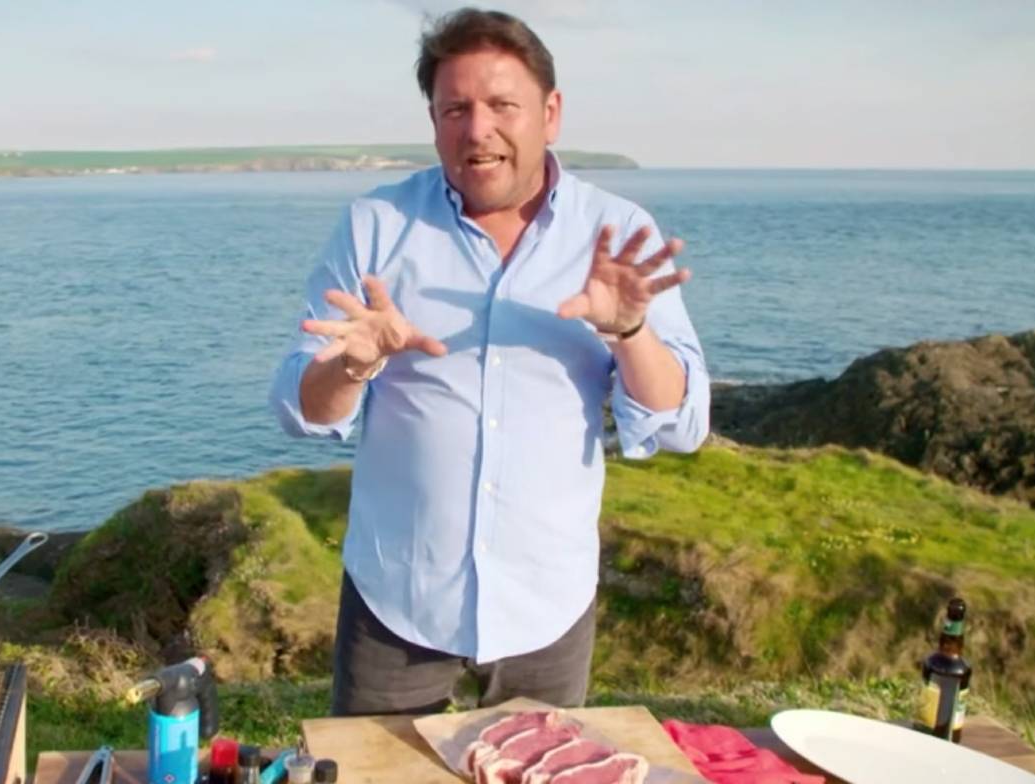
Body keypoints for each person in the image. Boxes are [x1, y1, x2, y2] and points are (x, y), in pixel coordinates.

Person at [268, 7, 709, 716]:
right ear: (435, 120)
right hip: (397, 595)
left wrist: (631, 332)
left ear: (551, 112)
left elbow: (680, 424)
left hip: (547, 598)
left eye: (503, 104)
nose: (477, 130)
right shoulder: (376, 226)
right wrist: (351, 367)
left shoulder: (620, 233)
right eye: (455, 109)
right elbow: (300, 408)